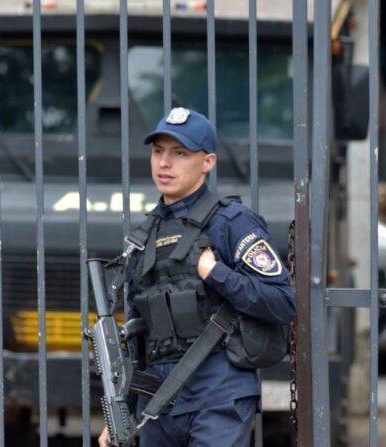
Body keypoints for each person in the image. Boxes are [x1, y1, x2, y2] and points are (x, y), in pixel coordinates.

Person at [98, 108, 296, 446]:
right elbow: (136, 337)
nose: (164, 163)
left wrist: (217, 273)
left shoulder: (233, 222)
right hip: (157, 404)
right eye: (158, 151)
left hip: (217, 394)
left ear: (208, 162)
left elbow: (283, 302)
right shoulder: (143, 237)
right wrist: (120, 413)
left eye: (180, 154)